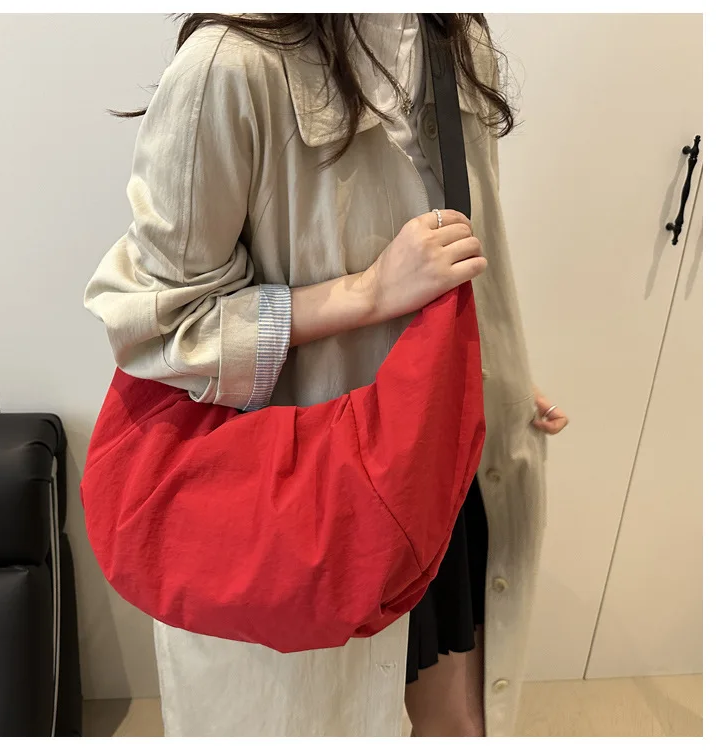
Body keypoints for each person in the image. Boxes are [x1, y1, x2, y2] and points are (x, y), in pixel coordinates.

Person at [85, 13, 568, 737]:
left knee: (461, 722)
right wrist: (367, 293)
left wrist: (494, 377)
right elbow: (158, 327)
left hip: (436, 460)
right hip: (307, 499)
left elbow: (463, 251)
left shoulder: (455, 39)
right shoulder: (231, 67)